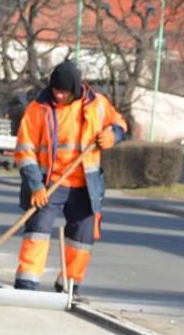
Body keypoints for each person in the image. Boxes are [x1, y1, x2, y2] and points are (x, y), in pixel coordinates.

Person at [13, 60, 127, 295]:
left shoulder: (98, 105)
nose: (58, 95)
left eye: (63, 91)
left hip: (85, 186)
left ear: (75, 89)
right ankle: (26, 285)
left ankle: (69, 285)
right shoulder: (39, 109)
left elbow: (120, 124)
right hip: (49, 184)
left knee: (82, 240)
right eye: (55, 90)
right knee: (37, 232)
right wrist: (36, 186)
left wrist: (112, 135)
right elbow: (25, 150)